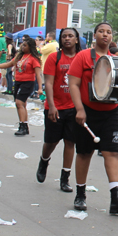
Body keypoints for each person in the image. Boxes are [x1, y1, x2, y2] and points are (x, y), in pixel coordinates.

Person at [67, 22, 118, 215]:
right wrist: (79, 109)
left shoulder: (117, 61)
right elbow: (73, 84)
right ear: (95, 35)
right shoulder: (83, 57)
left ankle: (116, 199)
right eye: (101, 31)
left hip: (112, 112)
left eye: (108, 32)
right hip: (87, 111)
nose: (105, 35)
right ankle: (80, 194)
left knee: (112, 153)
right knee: (84, 153)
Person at [37, 27, 80, 192]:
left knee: (70, 142)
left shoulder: (81, 58)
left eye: (70, 36)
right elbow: (48, 83)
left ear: (76, 39)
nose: (67, 39)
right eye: (64, 36)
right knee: (51, 142)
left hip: (74, 108)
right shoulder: (54, 58)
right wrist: (51, 106)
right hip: (55, 107)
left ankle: (65, 178)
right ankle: (44, 161)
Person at [0, 36, 42, 136]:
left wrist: (40, 88)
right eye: (22, 45)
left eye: (25, 45)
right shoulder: (19, 57)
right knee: (22, 104)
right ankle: (25, 126)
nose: (22, 47)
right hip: (18, 82)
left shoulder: (34, 59)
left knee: (19, 103)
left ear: (30, 47)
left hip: (28, 83)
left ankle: (22, 126)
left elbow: (38, 75)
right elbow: (9, 64)